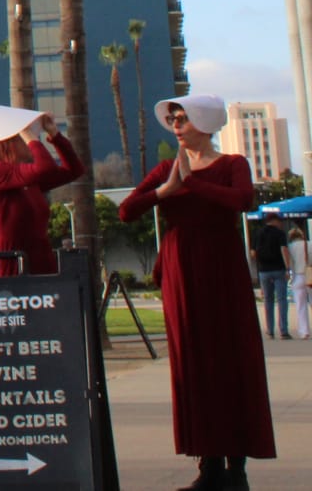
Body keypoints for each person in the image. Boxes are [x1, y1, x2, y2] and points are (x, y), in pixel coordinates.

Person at [118, 93, 275, 490]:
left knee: (230, 358)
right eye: (173, 119)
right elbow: (127, 210)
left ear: (204, 122)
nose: (176, 126)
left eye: (183, 119)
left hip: (221, 268)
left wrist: (192, 184)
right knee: (193, 361)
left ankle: (235, 469)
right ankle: (209, 467)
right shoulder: (167, 170)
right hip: (181, 270)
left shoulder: (232, 164)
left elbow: (242, 199)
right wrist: (165, 191)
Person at [0, 103, 83, 276]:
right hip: (13, 263)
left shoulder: (23, 177)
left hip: (41, 259)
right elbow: (45, 167)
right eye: (26, 139)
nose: (32, 143)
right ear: (11, 141)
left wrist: (55, 134)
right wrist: (29, 137)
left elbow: (74, 170)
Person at [252, 209, 290, 339]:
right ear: (274, 221)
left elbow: (253, 253)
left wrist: (260, 263)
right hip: (279, 269)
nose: (281, 224)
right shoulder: (280, 234)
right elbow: (284, 250)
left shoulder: (258, 233)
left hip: (264, 271)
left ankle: (270, 330)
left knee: (268, 300)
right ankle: (283, 330)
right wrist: (288, 268)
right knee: (282, 300)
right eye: (280, 221)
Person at [288, 225, 310, 341]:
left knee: (301, 307)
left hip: (297, 276)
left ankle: (304, 332)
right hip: (310, 275)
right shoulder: (309, 244)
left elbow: (290, 264)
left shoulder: (290, 247)